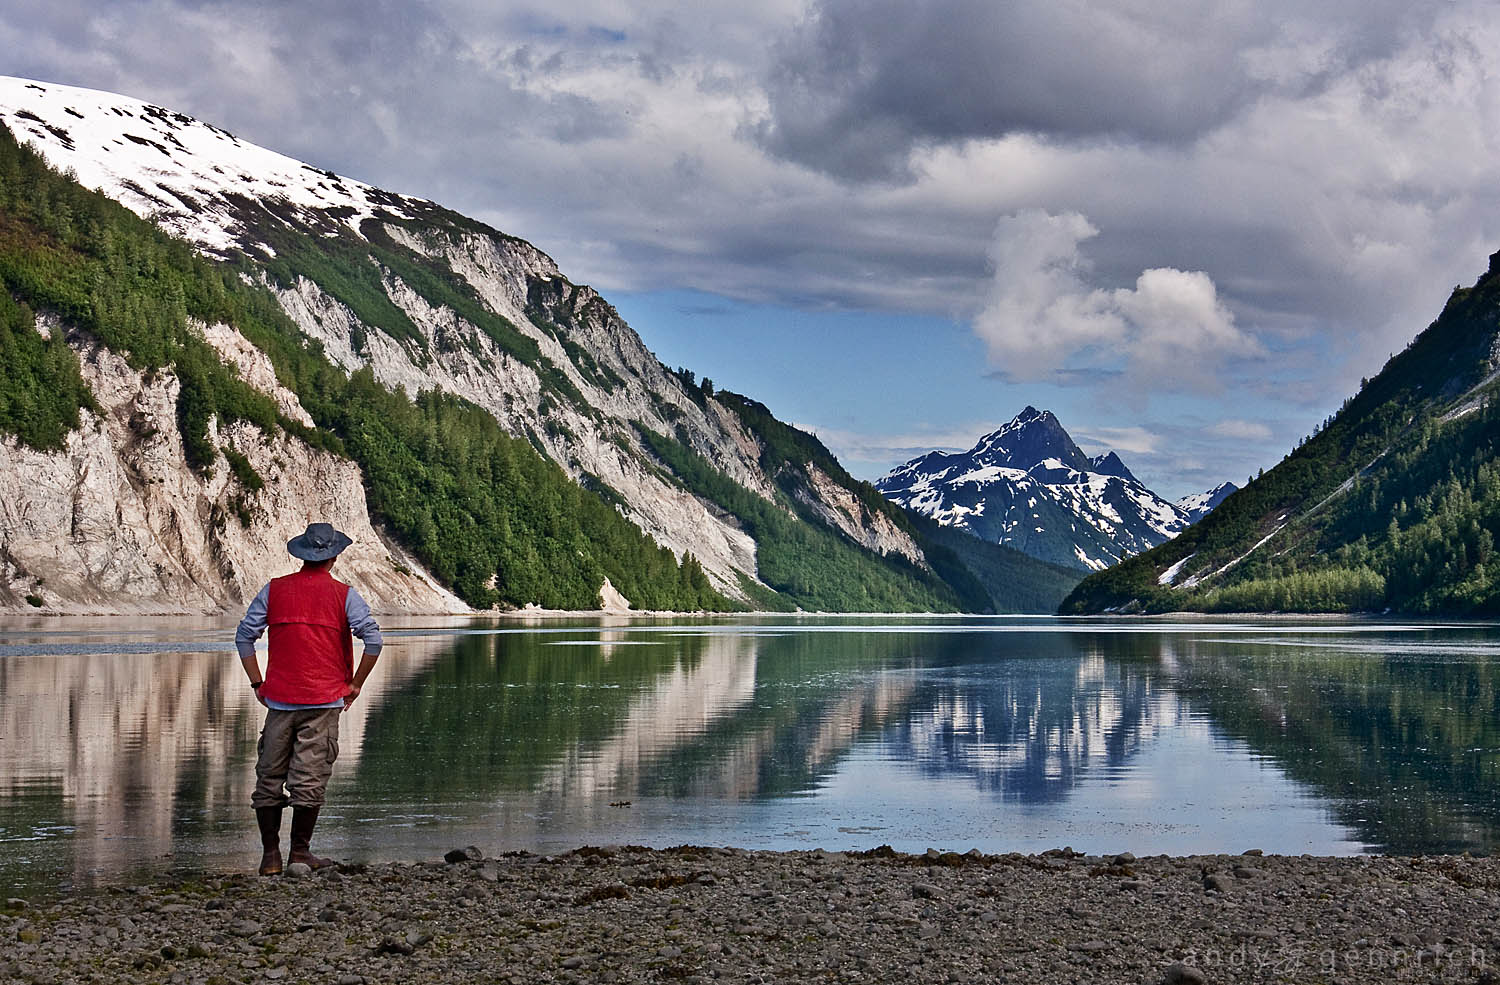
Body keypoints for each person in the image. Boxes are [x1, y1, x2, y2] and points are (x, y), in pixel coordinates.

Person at [235, 522, 383, 876]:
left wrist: (258, 683)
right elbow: (373, 641)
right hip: (324, 699)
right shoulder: (344, 595)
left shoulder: (274, 590)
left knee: (269, 775)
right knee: (310, 776)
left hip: (279, 700)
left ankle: (270, 856)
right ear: (333, 556)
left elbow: (244, 637)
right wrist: (356, 684)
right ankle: (299, 854)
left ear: (302, 554)